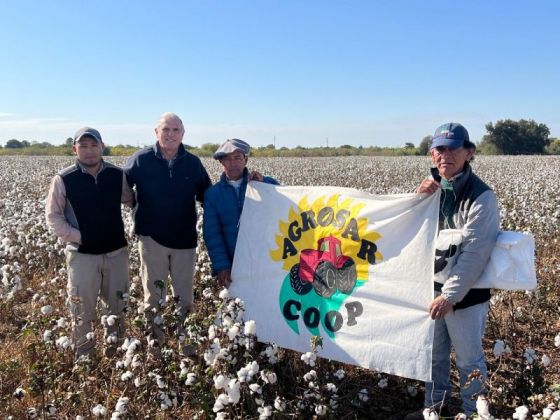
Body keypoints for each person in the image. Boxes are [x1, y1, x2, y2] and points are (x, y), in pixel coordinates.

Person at [405, 123, 500, 418]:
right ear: (433, 153)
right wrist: (416, 198)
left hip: (466, 295)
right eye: (440, 149)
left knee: (469, 359)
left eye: (453, 148)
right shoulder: (428, 188)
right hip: (429, 289)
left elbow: (474, 254)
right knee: (434, 356)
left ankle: (473, 413)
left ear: (469, 153)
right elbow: (406, 230)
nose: (445, 155)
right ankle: (435, 409)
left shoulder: (482, 196)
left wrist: (450, 296)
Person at [124, 112, 211, 357]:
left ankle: (188, 347)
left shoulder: (193, 163)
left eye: (176, 130)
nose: (171, 134)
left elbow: (207, 195)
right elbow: (120, 184)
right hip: (152, 239)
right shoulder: (140, 159)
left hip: (185, 240)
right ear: (156, 132)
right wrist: (133, 205)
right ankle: (155, 347)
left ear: (183, 134)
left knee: (185, 297)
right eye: (166, 130)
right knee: (153, 296)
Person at [46, 127, 133, 359]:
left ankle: (116, 356)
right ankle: (85, 358)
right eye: (83, 146)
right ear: (74, 149)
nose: (89, 151)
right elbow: (53, 216)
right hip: (82, 255)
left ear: (102, 147)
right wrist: (78, 236)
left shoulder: (117, 174)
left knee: (117, 306)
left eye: (93, 145)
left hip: (116, 253)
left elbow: (131, 201)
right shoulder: (64, 178)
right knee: (81, 309)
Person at [203, 138, 279, 288]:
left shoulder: (262, 184)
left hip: (264, 260)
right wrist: (222, 266)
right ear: (221, 163)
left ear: (246, 159)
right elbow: (212, 234)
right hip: (233, 263)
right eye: (227, 159)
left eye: (237, 158)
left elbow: (283, 200)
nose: (233, 163)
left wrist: (265, 183)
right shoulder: (213, 194)